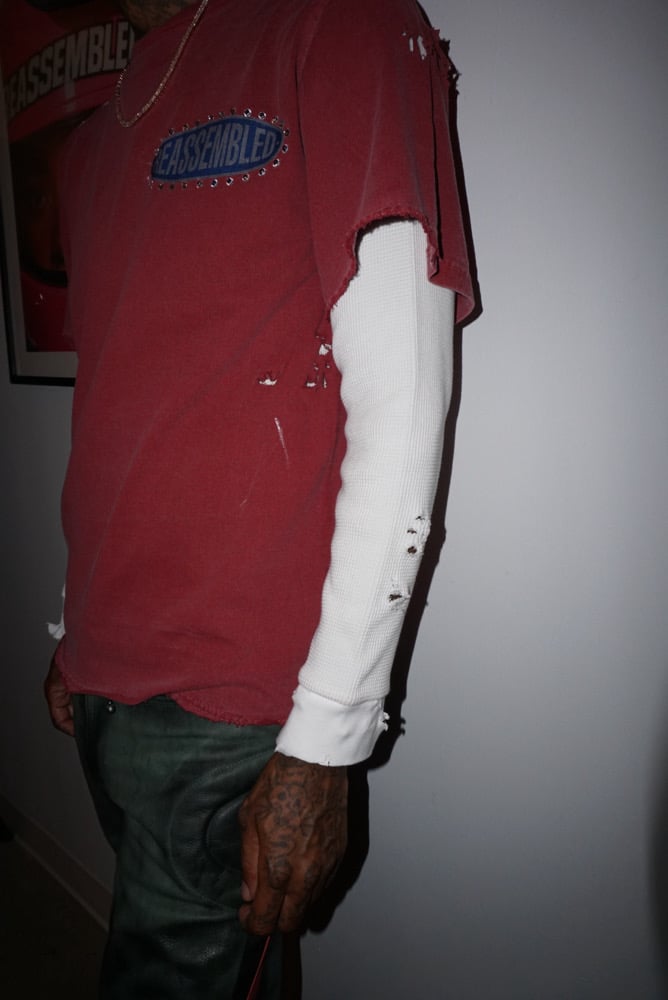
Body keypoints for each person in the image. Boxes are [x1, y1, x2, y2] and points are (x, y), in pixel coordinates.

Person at [43, 0, 474, 995]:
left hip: (232, 710)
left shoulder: (334, 20)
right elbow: (122, 406)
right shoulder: (98, 137)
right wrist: (75, 631)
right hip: (106, 683)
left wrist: (324, 742)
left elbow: (404, 395)